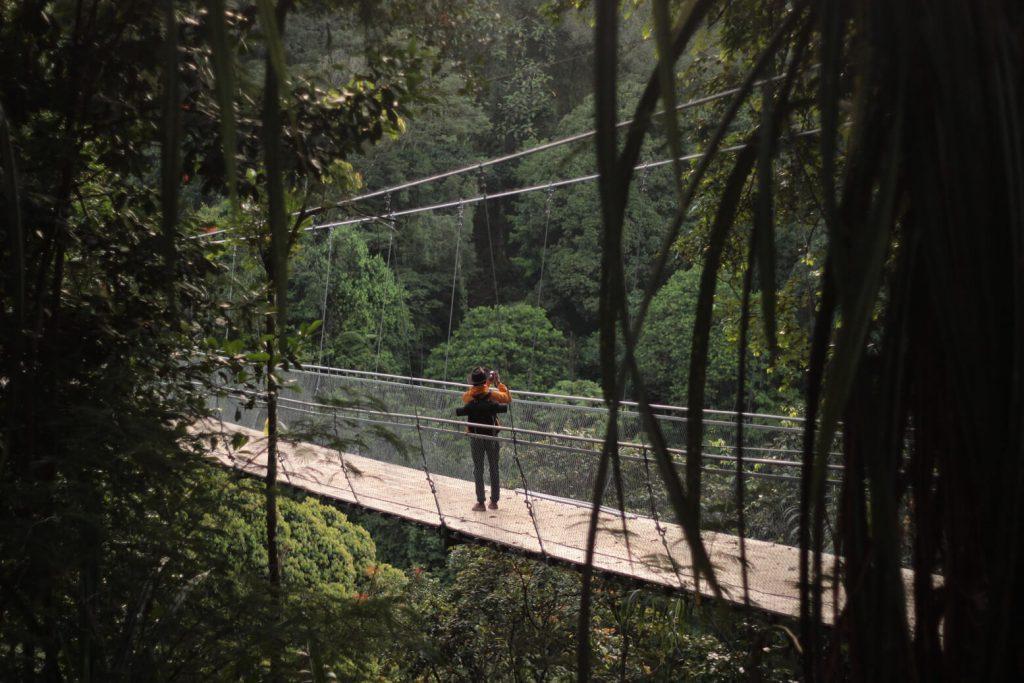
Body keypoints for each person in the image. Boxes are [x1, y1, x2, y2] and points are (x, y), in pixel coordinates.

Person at [460, 366, 512, 511]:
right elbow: (507, 398)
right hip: (492, 435)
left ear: (472, 383)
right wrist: (498, 383)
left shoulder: (469, 396)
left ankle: (480, 502)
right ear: (485, 381)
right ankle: (494, 502)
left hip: (476, 435)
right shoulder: (492, 395)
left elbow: (473, 394)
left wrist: (485, 384)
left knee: (478, 469)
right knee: (494, 467)